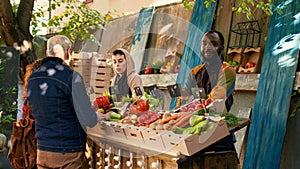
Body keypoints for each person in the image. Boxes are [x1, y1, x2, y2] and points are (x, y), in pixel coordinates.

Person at [26, 35, 110, 169]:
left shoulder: (33, 78)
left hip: (42, 149)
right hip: (68, 151)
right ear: (69, 52)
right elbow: (87, 118)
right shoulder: (71, 77)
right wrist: (99, 116)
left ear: (48, 53)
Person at [183, 30, 236, 112]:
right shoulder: (195, 72)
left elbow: (214, 99)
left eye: (213, 44)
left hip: (217, 118)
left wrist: (191, 101)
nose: (208, 47)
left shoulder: (227, 71)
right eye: (204, 44)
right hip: (193, 116)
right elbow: (185, 95)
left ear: (222, 48)